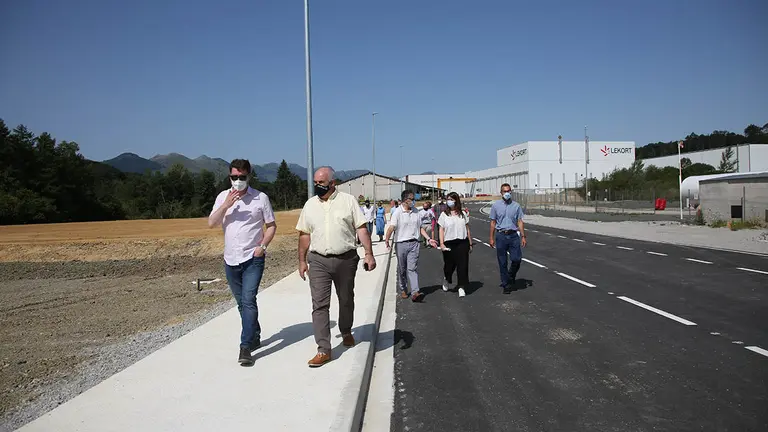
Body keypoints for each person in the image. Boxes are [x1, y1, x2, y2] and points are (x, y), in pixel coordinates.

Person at [296, 167, 377, 368]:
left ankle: (346, 330)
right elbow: (304, 234)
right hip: (319, 261)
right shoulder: (310, 205)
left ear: (333, 183)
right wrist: (301, 260)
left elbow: (361, 228)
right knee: (319, 305)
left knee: (346, 298)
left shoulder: (348, 201)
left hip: (346, 259)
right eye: (315, 183)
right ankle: (324, 349)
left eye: (321, 183)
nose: (317, 187)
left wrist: (368, 253)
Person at [208, 159, 277, 366]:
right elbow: (211, 223)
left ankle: (245, 346)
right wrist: (226, 205)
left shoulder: (260, 198)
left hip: (252, 258)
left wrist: (262, 247)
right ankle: (254, 334)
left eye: (241, 177)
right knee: (241, 304)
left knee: (248, 300)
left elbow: (272, 225)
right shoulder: (222, 197)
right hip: (230, 259)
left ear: (249, 176)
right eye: (234, 177)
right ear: (229, 177)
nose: (237, 181)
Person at [385, 191, 436, 302]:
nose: (414, 201)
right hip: (401, 244)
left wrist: (428, 239)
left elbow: (420, 228)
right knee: (402, 269)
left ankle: (415, 292)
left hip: (414, 243)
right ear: (405, 200)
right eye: (411, 199)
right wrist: (387, 240)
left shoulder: (416, 212)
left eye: (414, 199)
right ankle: (403, 288)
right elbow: (391, 227)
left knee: (412, 268)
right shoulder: (397, 213)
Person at [489, 183, 527, 294]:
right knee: (502, 261)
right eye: (504, 191)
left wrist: (523, 236)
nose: (507, 193)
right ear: (501, 193)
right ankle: (506, 284)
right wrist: (491, 237)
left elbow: (520, 221)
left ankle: (511, 275)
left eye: (508, 191)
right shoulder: (496, 206)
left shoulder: (516, 206)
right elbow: (493, 222)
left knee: (516, 259)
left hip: (513, 235)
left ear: (511, 192)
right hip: (501, 235)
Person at [438, 192, 473, 298]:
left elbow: (467, 229)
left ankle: (461, 287)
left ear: (456, 200)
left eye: (452, 199)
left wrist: (470, 243)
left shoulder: (463, 214)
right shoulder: (444, 214)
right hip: (449, 243)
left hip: (462, 242)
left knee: (462, 265)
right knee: (449, 265)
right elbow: (441, 229)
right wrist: (442, 243)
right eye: (448, 199)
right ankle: (447, 278)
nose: (450, 201)